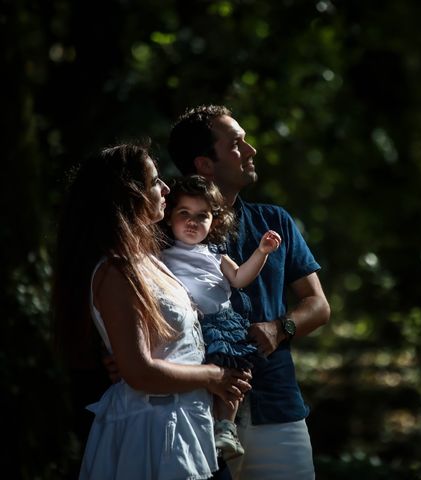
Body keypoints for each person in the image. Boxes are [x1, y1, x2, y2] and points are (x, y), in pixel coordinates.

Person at [51, 143, 252, 480]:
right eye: (155, 181)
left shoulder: (150, 259)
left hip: (186, 423)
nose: (166, 189)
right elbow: (139, 372)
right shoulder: (116, 271)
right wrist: (215, 377)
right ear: (130, 194)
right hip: (153, 433)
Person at [168, 105, 331, 479]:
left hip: (276, 406)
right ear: (205, 165)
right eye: (237, 144)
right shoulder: (161, 230)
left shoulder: (274, 222)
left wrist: (280, 327)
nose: (251, 151)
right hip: (191, 411)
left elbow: (318, 305)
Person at [161, 174, 282, 461]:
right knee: (204, 379)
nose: (192, 221)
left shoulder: (216, 255)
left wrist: (262, 252)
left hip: (222, 322)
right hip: (188, 328)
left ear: (214, 222)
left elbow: (240, 278)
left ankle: (226, 426)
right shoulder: (161, 256)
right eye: (184, 213)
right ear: (168, 218)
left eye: (202, 216)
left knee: (237, 370)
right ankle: (209, 428)